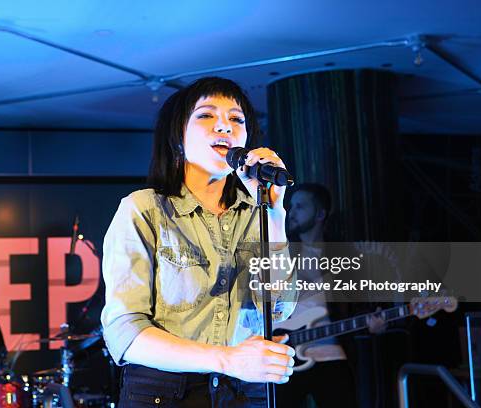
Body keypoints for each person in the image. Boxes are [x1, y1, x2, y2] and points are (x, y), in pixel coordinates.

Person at [101, 77, 297, 407]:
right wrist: (227, 359)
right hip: (165, 392)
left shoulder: (256, 213)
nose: (225, 127)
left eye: (236, 119)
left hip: (243, 392)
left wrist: (275, 213)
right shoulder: (144, 208)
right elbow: (125, 333)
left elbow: (277, 309)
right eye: (207, 116)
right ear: (178, 138)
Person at [275, 183, 386, 408]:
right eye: (291, 206)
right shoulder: (280, 250)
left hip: (332, 353)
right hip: (286, 352)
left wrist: (373, 324)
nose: (292, 213)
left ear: (320, 214)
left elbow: (358, 305)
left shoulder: (344, 255)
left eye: (300, 207)